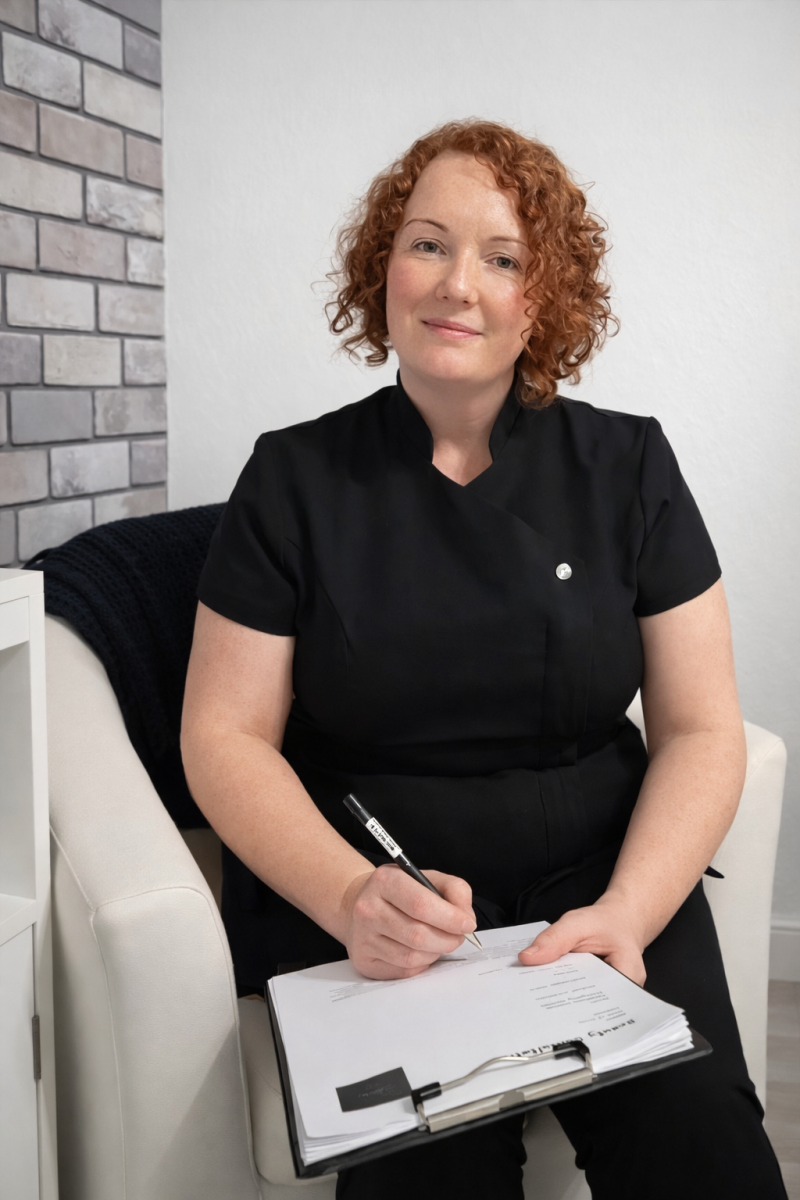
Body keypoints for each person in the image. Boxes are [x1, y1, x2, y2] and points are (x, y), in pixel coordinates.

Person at [181, 120, 786, 1199]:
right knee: (428, 1175)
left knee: (700, 1142)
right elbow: (223, 735)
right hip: (391, 905)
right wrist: (350, 897)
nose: (457, 284)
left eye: (502, 258)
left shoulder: (629, 464)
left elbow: (700, 726)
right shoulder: (290, 479)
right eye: (427, 243)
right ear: (383, 269)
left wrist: (630, 912)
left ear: (541, 301)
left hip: (602, 882)